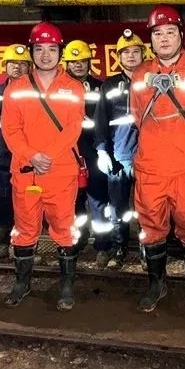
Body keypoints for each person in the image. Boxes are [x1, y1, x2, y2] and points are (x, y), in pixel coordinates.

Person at [129, 5, 185, 317]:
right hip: (151, 169)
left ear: (181, 35)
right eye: (158, 33)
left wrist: (183, 143)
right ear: (151, 39)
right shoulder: (141, 75)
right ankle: (157, 285)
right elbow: (137, 116)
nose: (164, 38)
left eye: (170, 32)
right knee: (151, 228)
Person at [0, 22, 85, 311]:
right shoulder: (16, 88)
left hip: (61, 172)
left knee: (64, 229)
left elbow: (73, 127)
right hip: (26, 172)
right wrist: (31, 155)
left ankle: (66, 286)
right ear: (32, 52)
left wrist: (47, 155)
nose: (45, 55)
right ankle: (22, 284)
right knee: (25, 230)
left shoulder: (74, 87)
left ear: (60, 52)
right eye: (39, 49)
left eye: (51, 49)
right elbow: (10, 129)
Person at [93, 29, 146, 270]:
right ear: (118, 57)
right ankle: (120, 248)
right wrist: (102, 151)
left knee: (148, 207)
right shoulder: (110, 84)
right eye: (126, 52)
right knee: (118, 208)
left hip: (148, 155)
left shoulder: (152, 80)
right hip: (119, 155)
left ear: (143, 54)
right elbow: (100, 120)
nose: (131, 56)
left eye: (135, 51)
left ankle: (147, 250)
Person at [0, 44, 31, 261]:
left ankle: (26, 248)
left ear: (30, 67)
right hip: (1, 157)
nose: (18, 67)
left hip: (28, 160)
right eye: (13, 63)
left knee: (28, 205)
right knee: (1, 203)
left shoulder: (37, 94)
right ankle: (1, 247)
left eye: (23, 64)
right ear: (5, 66)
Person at [62, 39, 107, 262]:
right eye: (73, 61)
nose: (78, 65)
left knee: (98, 199)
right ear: (66, 63)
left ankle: (103, 245)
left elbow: (106, 120)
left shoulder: (101, 87)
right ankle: (78, 239)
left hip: (95, 151)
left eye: (82, 60)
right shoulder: (57, 87)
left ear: (90, 62)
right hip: (67, 152)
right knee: (73, 200)